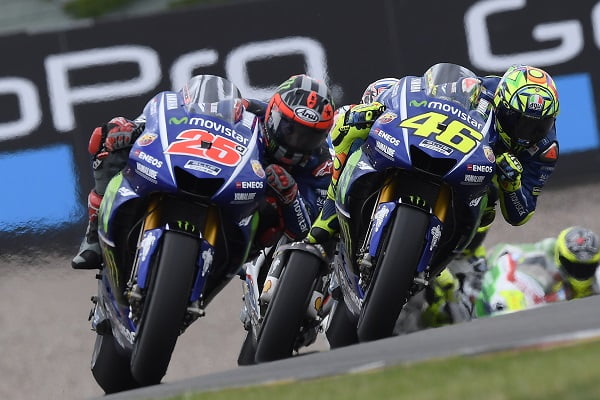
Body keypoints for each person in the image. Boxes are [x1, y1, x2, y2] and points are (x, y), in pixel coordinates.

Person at [71, 74, 335, 269]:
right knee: (109, 134)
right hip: (215, 175)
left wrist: (290, 196)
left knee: (273, 212)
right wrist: (135, 127)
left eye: (308, 137)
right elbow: (186, 119)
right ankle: (94, 232)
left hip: (247, 224)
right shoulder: (247, 110)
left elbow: (309, 231)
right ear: (273, 112)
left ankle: (231, 261)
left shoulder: (321, 164)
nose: (296, 141)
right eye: (289, 128)